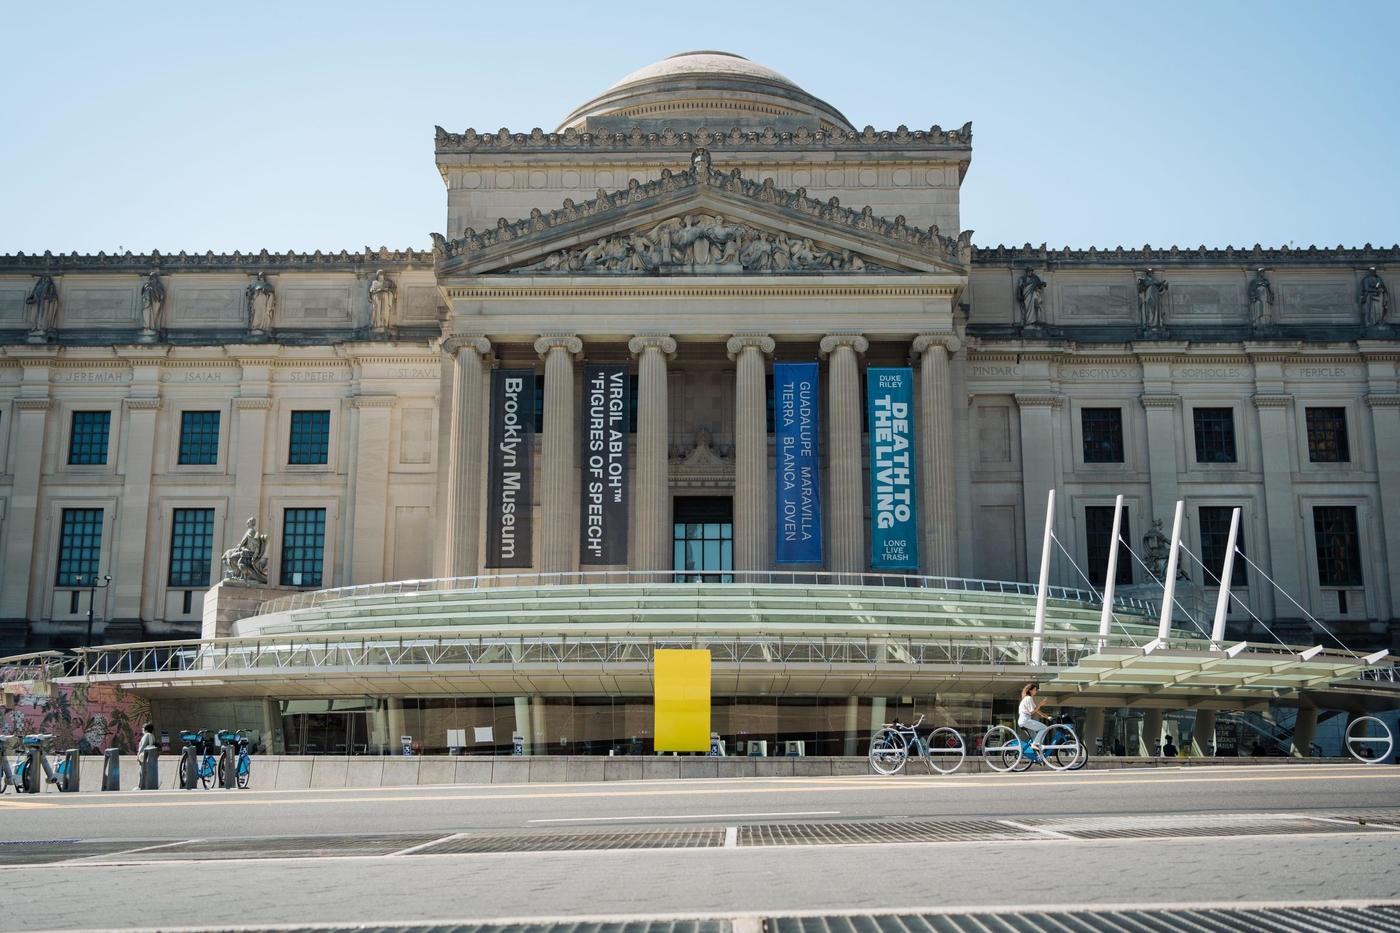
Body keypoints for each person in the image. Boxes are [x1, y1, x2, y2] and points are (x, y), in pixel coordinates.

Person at [1018, 682, 1051, 752]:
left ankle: (1036, 746)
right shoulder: (1028, 698)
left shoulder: (1027, 698)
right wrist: (1040, 704)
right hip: (1025, 720)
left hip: (1023, 720)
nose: (1036, 691)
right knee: (1044, 728)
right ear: (1030, 690)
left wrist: (1047, 717)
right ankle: (1035, 744)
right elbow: (1032, 711)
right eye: (1035, 690)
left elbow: (1037, 710)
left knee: (1038, 733)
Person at [136, 722, 157, 790]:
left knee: (141, 771)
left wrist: (138, 754)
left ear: (146, 729)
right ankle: (146, 785)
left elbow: (143, 746)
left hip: (144, 755)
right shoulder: (152, 735)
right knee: (146, 771)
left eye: (143, 727)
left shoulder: (146, 735)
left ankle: (140, 786)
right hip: (151, 755)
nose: (142, 729)